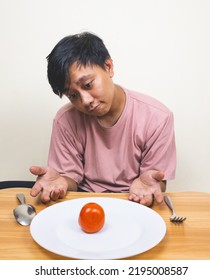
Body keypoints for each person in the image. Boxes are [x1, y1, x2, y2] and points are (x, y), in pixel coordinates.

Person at [30, 32, 176, 207]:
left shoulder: (157, 118)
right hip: (84, 201)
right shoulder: (65, 120)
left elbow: (155, 182)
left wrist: (150, 184)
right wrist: (60, 182)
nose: (85, 101)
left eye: (88, 85)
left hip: (133, 201)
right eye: (73, 95)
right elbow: (69, 177)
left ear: (108, 67)